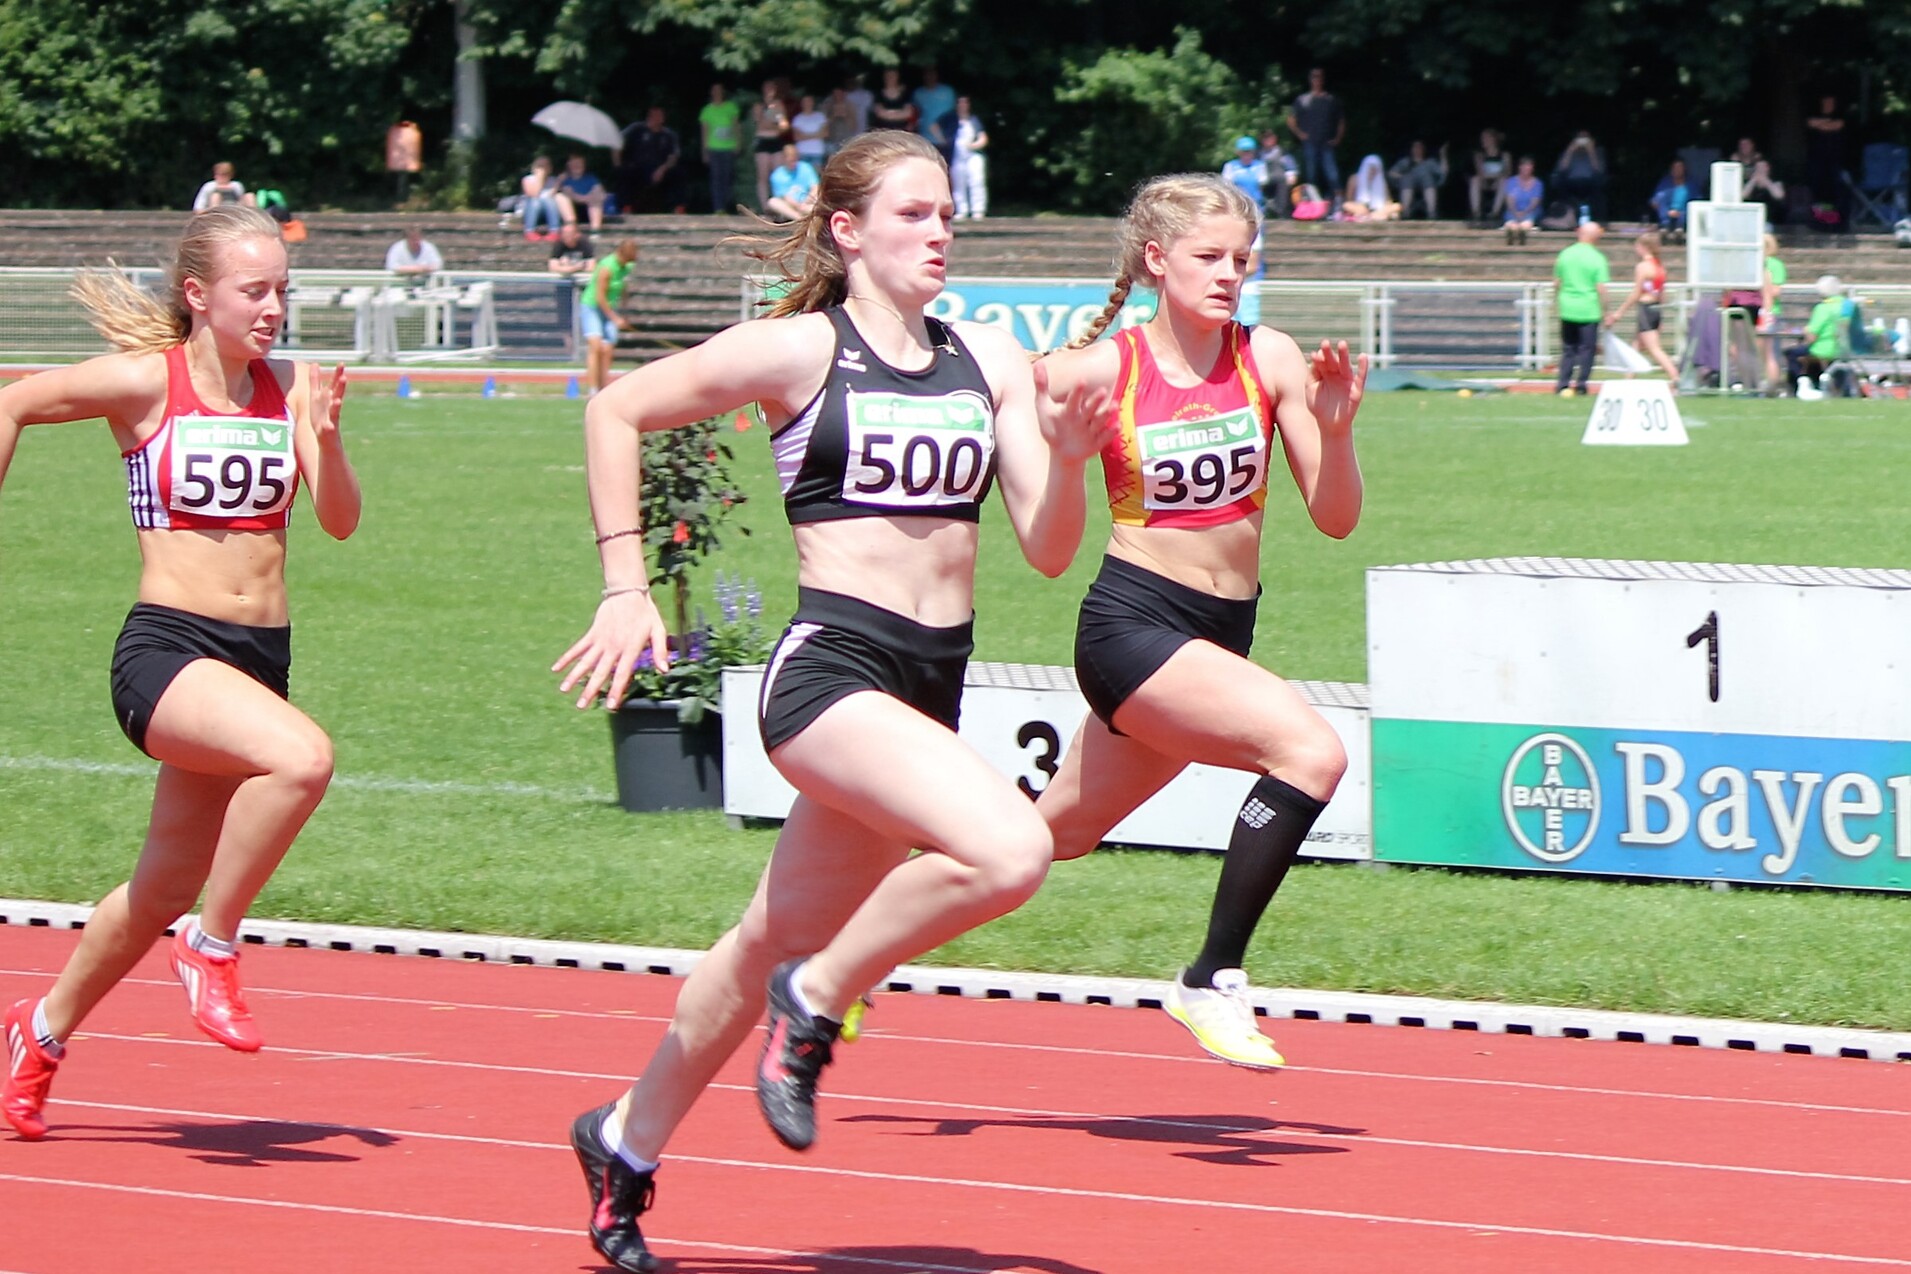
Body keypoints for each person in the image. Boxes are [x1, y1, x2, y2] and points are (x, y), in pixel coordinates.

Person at [550, 129, 1107, 1273]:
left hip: (926, 686)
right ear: (848, 231)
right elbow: (615, 413)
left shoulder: (989, 357)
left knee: (759, 941)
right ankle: (821, 996)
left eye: (947, 212)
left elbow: (1049, 550)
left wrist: (1065, 449)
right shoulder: (800, 349)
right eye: (913, 213)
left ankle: (622, 1139)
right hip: (828, 673)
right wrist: (624, 584)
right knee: (1008, 849)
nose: (940, 230)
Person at [0, 205, 360, 1141]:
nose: (275, 307)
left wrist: (328, 432)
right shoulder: (144, 385)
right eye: (256, 290)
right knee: (302, 761)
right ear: (200, 297)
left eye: (284, 289)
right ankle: (212, 947)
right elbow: (14, 401)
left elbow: (340, 521)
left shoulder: (291, 387)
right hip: (166, 652)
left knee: (157, 886)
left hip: (257, 660)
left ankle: (38, 1034)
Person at [1029, 172, 1366, 1069]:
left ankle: (838, 961)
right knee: (1311, 754)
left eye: (1242, 260)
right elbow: (1035, 490)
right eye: (1208, 257)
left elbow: (1334, 519)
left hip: (1220, 634)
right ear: (1155, 260)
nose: (1229, 275)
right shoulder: (1106, 369)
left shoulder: (1272, 359)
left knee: (1045, 838)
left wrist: (1335, 434)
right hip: (1132, 627)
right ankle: (1211, 977)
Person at [1602, 230, 1682, 382]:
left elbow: (1636, 292)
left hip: (1646, 307)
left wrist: (1620, 312)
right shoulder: (1660, 267)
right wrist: (1661, 317)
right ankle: (1628, 379)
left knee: (1654, 348)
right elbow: (1661, 293)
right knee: (1637, 345)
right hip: (1656, 307)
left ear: (1644, 247)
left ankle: (1675, 376)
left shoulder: (1643, 266)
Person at [1554, 220, 1610, 396]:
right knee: (1587, 349)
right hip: (1589, 309)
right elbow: (1601, 288)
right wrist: (1606, 310)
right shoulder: (1597, 258)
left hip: (1568, 307)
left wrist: (1556, 302)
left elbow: (1557, 282)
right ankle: (1581, 384)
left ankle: (1562, 383)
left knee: (1568, 349)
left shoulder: (1565, 254)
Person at [580, 237, 639, 396]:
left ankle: (602, 387)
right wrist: (615, 318)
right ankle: (592, 390)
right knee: (595, 346)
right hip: (592, 307)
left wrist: (625, 312)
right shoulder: (606, 267)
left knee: (607, 349)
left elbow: (623, 288)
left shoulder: (627, 266)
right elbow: (600, 297)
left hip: (610, 309)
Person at [1285, 68, 1345, 207]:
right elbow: (1291, 120)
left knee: (1333, 175)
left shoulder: (1330, 99)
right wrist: (1300, 134)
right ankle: (1312, 204)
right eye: (1314, 77)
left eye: (1319, 77)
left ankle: (1337, 204)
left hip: (1327, 143)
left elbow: (1341, 121)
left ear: (1323, 79)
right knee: (1311, 176)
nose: (1316, 79)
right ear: (1310, 79)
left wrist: (1338, 138)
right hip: (1310, 143)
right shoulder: (1303, 100)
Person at [1785, 274, 1845, 398]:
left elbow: (1812, 335)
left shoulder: (1823, 308)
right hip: (1842, 348)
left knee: (1791, 353)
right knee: (1804, 353)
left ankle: (1802, 384)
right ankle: (1814, 383)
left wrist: (1805, 331)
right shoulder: (1845, 306)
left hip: (1824, 349)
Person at [618, 107, 687, 215]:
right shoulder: (636, 128)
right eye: (652, 115)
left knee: (679, 173)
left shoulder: (669, 134)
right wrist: (617, 161)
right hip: (638, 168)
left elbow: (674, 156)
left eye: (658, 116)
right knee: (624, 171)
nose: (655, 118)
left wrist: (662, 169)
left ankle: (679, 207)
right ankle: (626, 207)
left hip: (660, 169)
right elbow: (617, 138)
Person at [549, 222, 595, 356]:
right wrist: (576, 267)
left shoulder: (585, 244)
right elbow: (553, 267)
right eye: (564, 235)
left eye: (569, 235)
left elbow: (591, 266)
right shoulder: (559, 245)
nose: (566, 238)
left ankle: (585, 350)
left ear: (576, 235)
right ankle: (570, 352)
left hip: (583, 288)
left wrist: (566, 268)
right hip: (564, 288)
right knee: (564, 320)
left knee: (583, 317)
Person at [1804, 95, 1849, 231]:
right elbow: (1810, 123)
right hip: (1816, 161)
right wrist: (1825, 124)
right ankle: (1817, 220)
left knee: (1836, 190)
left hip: (1835, 161)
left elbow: (1837, 125)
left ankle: (1837, 221)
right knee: (1817, 191)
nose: (1828, 105)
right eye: (1826, 102)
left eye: (1831, 103)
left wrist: (1821, 124)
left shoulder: (1839, 115)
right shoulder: (1814, 113)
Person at [699, 83, 743, 214]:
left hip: (728, 148)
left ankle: (727, 204)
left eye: (719, 90)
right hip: (714, 148)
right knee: (716, 178)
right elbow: (704, 131)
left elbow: (736, 126)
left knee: (727, 177)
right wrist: (704, 151)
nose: (717, 93)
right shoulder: (707, 110)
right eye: (715, 91)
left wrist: (738, 143)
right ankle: (719, 208)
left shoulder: (731, 108)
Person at [750, 81, 793, 211]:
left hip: (775, 141)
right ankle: (764, 206)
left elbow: (784, 126)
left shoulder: (779, 105)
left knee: (778, 173)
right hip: (763, 141)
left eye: (772, 88)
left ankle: (778, 204)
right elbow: (760, 124)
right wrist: (774, 123)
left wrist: (773, 124)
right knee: (763, 175)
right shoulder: (759, 106)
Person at [1552, 131, 1607, 223]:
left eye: (1585, 138)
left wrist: (1591, 151)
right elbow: (1561, 169)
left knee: (1599, 186)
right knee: (1559, 185)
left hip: (1590, 183)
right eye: (1580, 138)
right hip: (1571, 183)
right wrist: (1570, 149)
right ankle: (1565, 219)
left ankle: (1599, 221)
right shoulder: (1568, 152)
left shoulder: (1597, 151)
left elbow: (1599, 170)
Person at [1388, 141, 1449, 220]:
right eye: (1415, 147)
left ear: (1423, 150)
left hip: (1426, 185)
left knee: (1428, 180)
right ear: (1411, 149)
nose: (1417, 149)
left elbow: (1443, 172)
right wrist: (1402, 177)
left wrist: (1443, 155)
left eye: (1419, 147)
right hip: (1408, 185)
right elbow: (1391, 173)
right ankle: (1405, 212)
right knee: (1407, 180)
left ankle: (1432, 212)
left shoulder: (1429, 163)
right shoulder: (1405, 162)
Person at [951, 96, 989, 219]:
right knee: (958, 184)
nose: (962, 106)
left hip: (973, 155)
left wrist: (974, 145)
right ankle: (962, 210)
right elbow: (934, 126)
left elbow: (983, 137)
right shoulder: (951, 119)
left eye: (965, 103)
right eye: (960, 103)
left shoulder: (974, 120)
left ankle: (978, 210)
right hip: (957, 156)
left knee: (977, 181)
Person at [1759, 233, 1788, 390]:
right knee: (1763, 352)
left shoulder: (1774, 264)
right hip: (1758, 311)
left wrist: (1765, 285)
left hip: (1770, 312)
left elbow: (1776, 291)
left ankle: (1773, 384)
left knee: (1770, 352)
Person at [913, 65, 958, 164]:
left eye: (932, 74)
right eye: (927, 74)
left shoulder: (948, 92)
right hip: (925, 138)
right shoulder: (918, 93)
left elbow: (953, 114)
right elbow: (914, 113)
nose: (930, 77)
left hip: (945, 139)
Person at [765, 144, 821, 222]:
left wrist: (806, 201)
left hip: (808, 202)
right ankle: (799, 219)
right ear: (784, 159)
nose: (793, 163)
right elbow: (785, 197)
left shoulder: (806, 167)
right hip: (790, 206)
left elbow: (815, 187)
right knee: (773, 202)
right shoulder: (777, 175)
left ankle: (808, 216)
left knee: (819, 199)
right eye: (790, 160)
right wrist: (798, 206)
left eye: (795, 160)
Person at [558, 154, 610, 231]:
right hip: (573, 209)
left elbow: (601, 194)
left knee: (596, 202)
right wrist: (587, 198)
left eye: (579, 163)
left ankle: (595, 231)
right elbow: (569, 195)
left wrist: (587, 198)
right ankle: (571, 230)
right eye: (574, 163)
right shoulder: (564, 179)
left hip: (588, 210)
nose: (577, 166)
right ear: (568, 165)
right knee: (561, 197)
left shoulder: (591, 178)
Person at [520, 156, 568, 241]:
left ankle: (554, 231)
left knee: (549, 200)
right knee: (535, 201)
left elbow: (553, 195)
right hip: (531, 209)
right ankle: (529, 231)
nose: (543, 168)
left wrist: (558, 183)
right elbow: (533, 193)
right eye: (540, 166)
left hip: (549, 209)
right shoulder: (528, 179)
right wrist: (540, 179)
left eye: (545, 166)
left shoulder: (553, 180)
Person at [1499, 156, 1544, 245]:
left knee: (1526, 223)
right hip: (1513, 210)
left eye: (1529, 167)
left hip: (1530, 211)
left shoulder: (1538, 183)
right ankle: (1512, 234)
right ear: (1520, 167)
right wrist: (1515, 212)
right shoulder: (1511, 181)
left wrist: (1524, 212)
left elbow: (1535, 202)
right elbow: (1510, 200)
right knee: (1512, 223)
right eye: (1524, 166)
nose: (1526, 169)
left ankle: (1522, 232)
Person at [1222, 137, 1270, 214]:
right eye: (1244, 152)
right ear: (1238, 152)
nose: (1246, 154)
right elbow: (1226, 185)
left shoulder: (1260, 165)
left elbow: (1263, 183)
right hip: (1237, 203)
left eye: (1249, 151)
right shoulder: (1230, 166)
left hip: (1256, 203)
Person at [1341, 154, 1397, 221]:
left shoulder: (1382, 182)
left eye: (1375, 169)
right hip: (1360, 207)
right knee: (1346, 205)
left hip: (1379, 209)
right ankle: (1373, 216)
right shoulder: (1354, 178)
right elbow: (1349, 200)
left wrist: (1387, 207)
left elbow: (1388, 201)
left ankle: (1373, 216)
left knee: (1397, 206)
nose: (1373, 171)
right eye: (1370, 168)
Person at [1469, 129, 1508, 224]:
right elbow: (1480, 173)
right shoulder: (1479, 155)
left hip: (1498, 183)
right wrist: (1494, 175)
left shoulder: (1504, 155)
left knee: (1504, 181)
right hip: (1485, 182)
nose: (1483, 140)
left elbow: (1507, 172)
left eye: (1485, 138)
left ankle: (1494, 213)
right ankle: (1476, 213)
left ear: (1493, 139)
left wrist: (1494, 176)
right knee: (1475, 180)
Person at [1648, 159, 1690, 236]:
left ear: (1684, 169)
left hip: (1683, 214)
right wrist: (1666, 211)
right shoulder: (1665, 183)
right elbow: (1655, 199)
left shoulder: (1691, 185)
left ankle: (1679, 229)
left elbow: (1697, 200)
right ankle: (1665, 227)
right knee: (1661, 200)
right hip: (1666, 214)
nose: (1677, 170)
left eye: (1680, 168)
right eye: (1675, 168)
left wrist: (1680, 213)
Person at [869, 67, 916, 133]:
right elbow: (879, 113)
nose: (890, 78)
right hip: (882, 133)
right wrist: (898, 113)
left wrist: (888, 113)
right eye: (888, 76)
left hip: (901, 132)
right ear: (884, 77)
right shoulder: (878, 94)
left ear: (897, 77)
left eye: (893, 76)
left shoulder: (905, 94)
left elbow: (908, 113)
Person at [1742, 159, 1787, 226]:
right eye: (1758, 168)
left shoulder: (1775, 182)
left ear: (1768, 169)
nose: (1760, 170)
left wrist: (1766, 181)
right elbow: (1742, 196)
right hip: (1750, 220)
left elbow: (1779, 196)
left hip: (1770, 221)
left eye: (1762, 168)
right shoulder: (1750, 183)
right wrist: (1753, 180)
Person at [790, 93, 830, 169]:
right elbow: (797, 137)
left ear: (813, 102)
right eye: (805, 101)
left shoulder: (820, 116)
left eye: (809, 101)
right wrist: (816, 135)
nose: (807, 103)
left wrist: (805, 135)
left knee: (816, 177)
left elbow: (825, 133)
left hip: (817, 152)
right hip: (802, 152)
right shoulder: (797, 118)